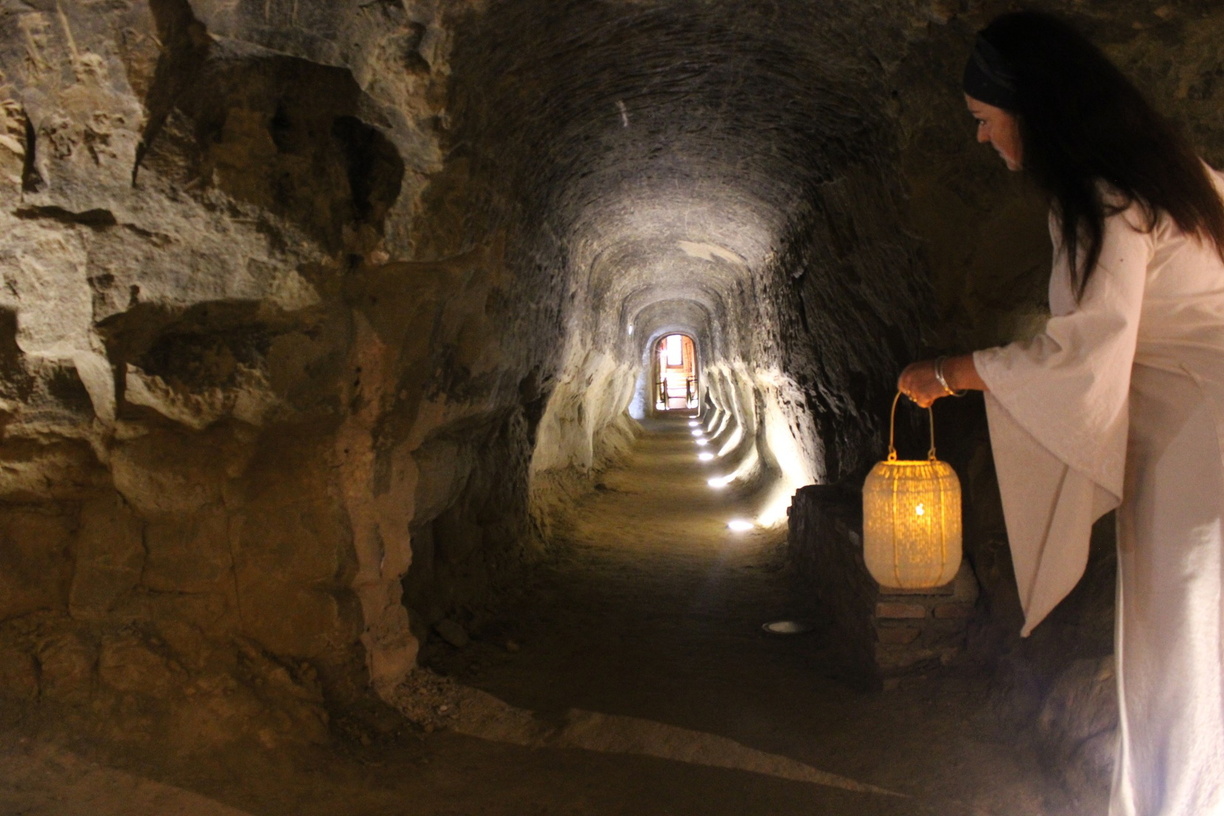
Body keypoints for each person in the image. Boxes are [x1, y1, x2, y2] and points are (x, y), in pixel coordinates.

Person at [897, 11, 1224, 816]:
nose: (980, 137)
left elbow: (1082, 359)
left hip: (1199, 453)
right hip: (1202, 433)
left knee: (1181, 662)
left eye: (984, 118)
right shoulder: (1181, 176)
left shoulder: (1106, 201)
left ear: (1031, 108)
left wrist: (948, 373)